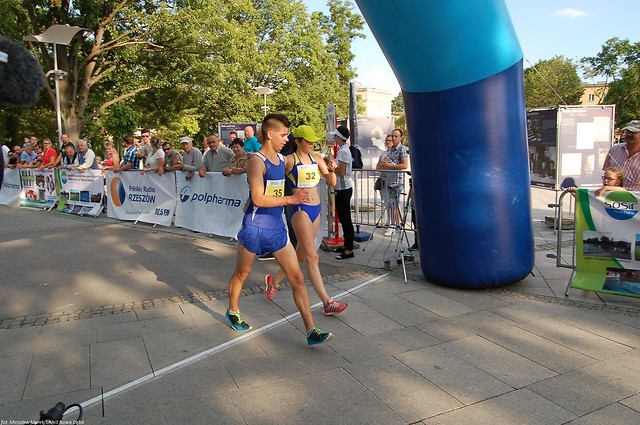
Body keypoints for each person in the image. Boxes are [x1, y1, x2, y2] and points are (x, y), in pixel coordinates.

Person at [225, 113, 333, 345]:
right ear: (270, 134)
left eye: (288, 135)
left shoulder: (282, 160)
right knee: (242, 273)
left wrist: (324, 166)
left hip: (277, 228)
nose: (287, 139)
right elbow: (258, 198)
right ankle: (233, 311)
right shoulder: (256, 161)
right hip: (255, 226)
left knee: (297, 278)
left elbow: (302, 168)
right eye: (283, 135)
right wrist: (290, 199)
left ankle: (311, 331)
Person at [264, 125, 347, 315]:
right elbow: (271, 174)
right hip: (300, 210)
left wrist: (331, 169)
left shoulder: (317, 158)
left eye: (313, 141)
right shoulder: (289, 160)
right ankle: (327, 303)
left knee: (300, 255)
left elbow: (332, 182)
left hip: (315, 209)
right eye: (308, 141)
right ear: (298, 141)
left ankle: (273, 282)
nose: (311, 144)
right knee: (312, 256)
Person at [377, 128, 409, 236]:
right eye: (393, 136)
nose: (394, 138)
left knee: (394, 204)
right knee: (391, 204)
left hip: (397, 181)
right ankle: (394, 224)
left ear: (401, 137)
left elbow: (404, 165)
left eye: (396, 136)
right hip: (388, 179)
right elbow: (385, 163)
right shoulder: (390, 150)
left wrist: (390, 165)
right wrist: (384, 164)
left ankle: (393, 225)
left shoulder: (402, 149)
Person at [330, 125, 355, 259]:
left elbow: (341, 171)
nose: (334, 138)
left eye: (336, 136)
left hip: (344, 188)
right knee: (343, 218)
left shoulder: (343, 151)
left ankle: (349, 249)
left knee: (346, 219)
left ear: (340, 137)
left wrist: (331, 165)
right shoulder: (343, 150)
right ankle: (346, 245)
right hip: (341, 188)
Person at [603, 120, 640, 191]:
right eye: (628, 131)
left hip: (636, 197)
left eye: (634, 132)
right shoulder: (614, 149)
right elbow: (606, 173)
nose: (629, 134)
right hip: (614, 195)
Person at [376, 135, 396, 229]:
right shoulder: (383, 153)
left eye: (390, 141)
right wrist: (382, 164)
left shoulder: (395, 153)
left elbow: (399, 166)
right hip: (383, 179)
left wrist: (389, 164)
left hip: (393, 180)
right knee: (385, 201)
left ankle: (393, 223)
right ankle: (388, 221)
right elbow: (378, 167)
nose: (388, 142)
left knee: (393, 203)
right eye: (387, 140)